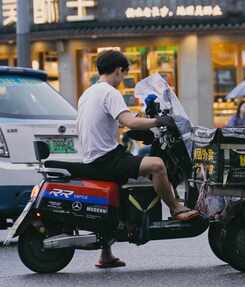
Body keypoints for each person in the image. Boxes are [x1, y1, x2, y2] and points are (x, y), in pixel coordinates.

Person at [76, 50, 199, 269]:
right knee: (158, 166)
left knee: (127, 183)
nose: (122, 79)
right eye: (123, 74)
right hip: (106, 158)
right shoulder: (110, 92)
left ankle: (106, 255)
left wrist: (143, 121)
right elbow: (129, 122)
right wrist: (159, 121)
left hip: (94, 156)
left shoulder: (89, 92)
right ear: (117, 71)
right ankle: (176, 208)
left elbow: (122, 121)